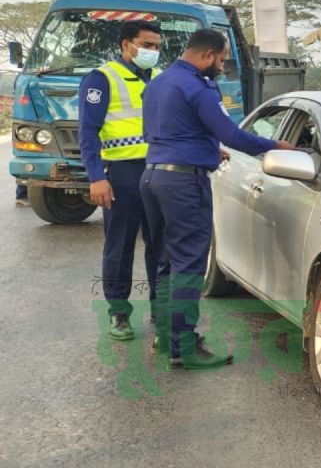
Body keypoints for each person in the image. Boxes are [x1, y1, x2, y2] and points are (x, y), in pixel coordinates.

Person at [140, 29, 292, 370]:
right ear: (207, 55)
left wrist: (207, 149)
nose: (222, 66)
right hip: (183, 183)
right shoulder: (199, 87)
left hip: (152, 176)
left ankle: (167, 337)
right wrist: (275, 147)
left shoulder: (157, 84)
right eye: (222, 59)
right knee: (189, 265)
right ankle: (185, 348)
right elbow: (233, 134)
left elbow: (168, 131)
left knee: (165, 260)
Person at [80, 20, 163, 341]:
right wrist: (96, 177)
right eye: (147, 45)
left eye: (156, 47)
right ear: (126, 45)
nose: (152, 52)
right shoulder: (102, 79)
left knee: (161, 246)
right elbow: (87, 132)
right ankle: (118, 314)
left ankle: (161, 309)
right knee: (120, 246)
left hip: (159, 172)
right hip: (122, 174)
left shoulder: (160, 78)